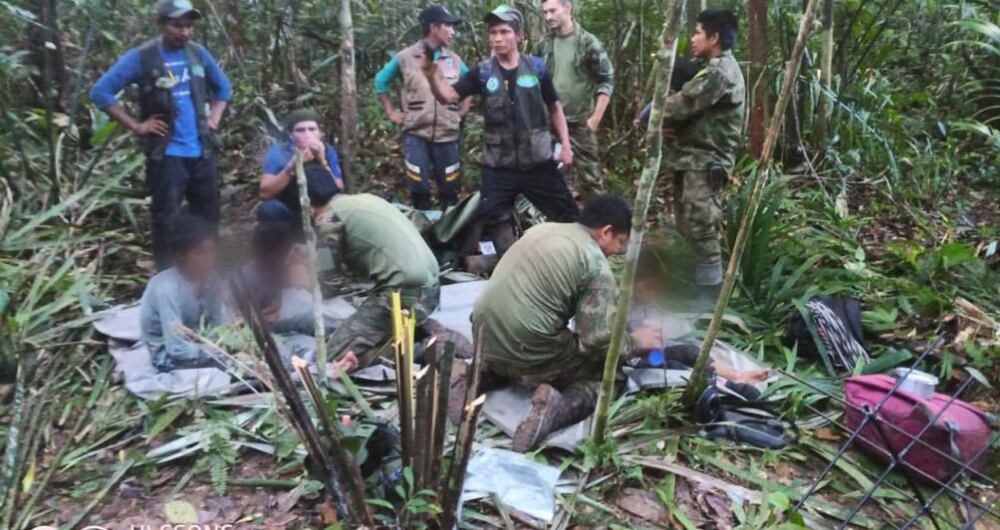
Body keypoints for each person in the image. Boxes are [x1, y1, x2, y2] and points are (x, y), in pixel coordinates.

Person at [467, 195, 661, 451]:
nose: (617, 252)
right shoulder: (594, 263)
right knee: (608, 379)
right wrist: (637, 341)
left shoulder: (542, 230)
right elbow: (595, 340)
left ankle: (481, 375)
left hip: (482, 335)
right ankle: (556, 409)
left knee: (528, 337)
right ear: (606, 232)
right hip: (527, 348)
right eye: (620, 242)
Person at [422, 4, 578, 255]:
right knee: (495, 215)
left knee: (566, 214)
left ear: (519, 36)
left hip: (538, 160)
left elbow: (555, 107)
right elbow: (448, 96)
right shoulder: (482, 73)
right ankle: (513, 263)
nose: (497, 38)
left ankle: (574, 259)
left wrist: (566, 146)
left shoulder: (537, 68)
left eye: (504, 32)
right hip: (498, 164)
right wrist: (431, 76)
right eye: (493, 32)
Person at [90, 0, 232, 270]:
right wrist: (137, 125)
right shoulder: (142, 57)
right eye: (176, 25)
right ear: (160, 24)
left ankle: (209, 274)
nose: (184, 32)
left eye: (188, 26)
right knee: (166, 219)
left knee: (208, 216)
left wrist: (213, 119)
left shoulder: (198, 54)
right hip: (167, 156)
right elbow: (101, 92)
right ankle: (168, 278)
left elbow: (223, 88)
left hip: (202, 151)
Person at [660, 9, 745, 302]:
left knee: (701, 226)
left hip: (706, 162)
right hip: (691, 159)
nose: (692, 38)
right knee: (687, 224)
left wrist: (654, 114)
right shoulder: (707, 66)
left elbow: (679, 105)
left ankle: (709, 299)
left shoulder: (719, 73)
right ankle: (699, 286)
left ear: (714, 37)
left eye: (697, 32)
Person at [315, 192, 441, 372]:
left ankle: (420, 352)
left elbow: (330, 283)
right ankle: (415, 338)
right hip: (431, 288)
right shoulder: (364, 200)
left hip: (404, 294)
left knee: (331, 358)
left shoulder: (328, 218)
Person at [374, 5, 472, 210]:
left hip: (447, 134)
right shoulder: (405, 57)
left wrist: (462, 111)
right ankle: (422, 227)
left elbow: (470, 84)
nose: (452, 31)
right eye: (448, 26)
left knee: (450, 186)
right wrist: (391, 112)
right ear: (433, 27)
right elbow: (381, 82)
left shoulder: (454, 60)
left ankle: (449, 230)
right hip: (416, 133)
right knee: (418, 185)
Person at [629, 249, 769, 385]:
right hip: (633, 358)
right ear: (632, 283)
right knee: (670, 366)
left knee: (690, 352)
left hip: (655, 353)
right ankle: (721, 384)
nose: (651, 294)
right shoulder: (620, 306)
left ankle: (736, 376)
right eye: (647, 287)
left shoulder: (650, 307)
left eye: (656, 288)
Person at [535, 0, 614, 203]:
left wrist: (595, 119)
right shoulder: (543, 44)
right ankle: (560, 224)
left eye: (552, 11)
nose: (548, 17)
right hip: (551, 123)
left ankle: (599, 226)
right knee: (553, 176)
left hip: (580, 122)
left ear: (567, 7)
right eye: (545, 12)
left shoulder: (588, 42)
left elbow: (606, 80)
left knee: (591, 179)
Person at [140, 214, 228, 372]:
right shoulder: (167, 288)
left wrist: (226, 343)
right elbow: (176, 348)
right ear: (181, 255)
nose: (210, 257)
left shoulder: (213, 279)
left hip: (201, 342)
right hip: (167, 352)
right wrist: (214, 352)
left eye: (212, 250)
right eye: (201, 253)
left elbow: (220, 323)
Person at [258, 109, 344, 233]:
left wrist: (322, 160)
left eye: (312, 129)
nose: (307, 134)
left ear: (320, 133)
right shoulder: (279, 152)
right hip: (291, 208)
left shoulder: (327, 150)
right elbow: (265, 193)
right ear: (290, 135)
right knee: (269, 209)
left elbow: (339, 188)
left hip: (321, 209)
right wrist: (293, 166)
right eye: (300, 130)